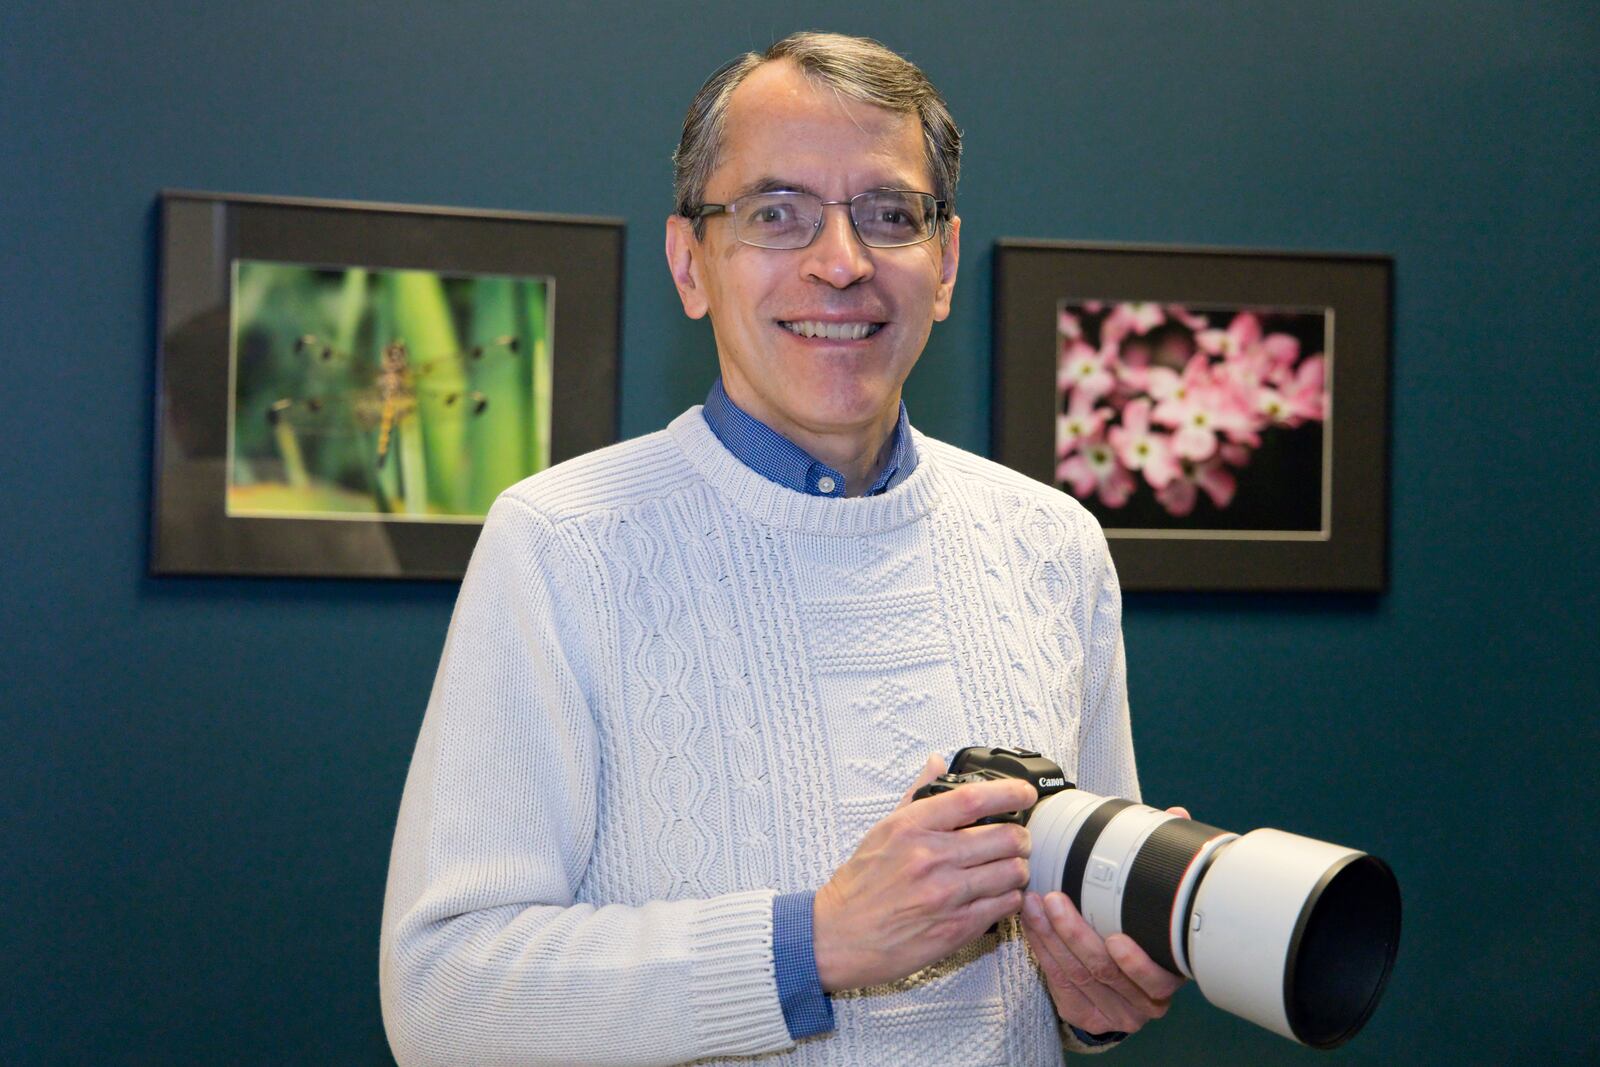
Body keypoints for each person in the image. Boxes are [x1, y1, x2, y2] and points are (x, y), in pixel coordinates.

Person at [380, 31, 1183, 1067]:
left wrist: (1099, 998)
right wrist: (818, 941)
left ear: (942, 262)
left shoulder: (1051, 544)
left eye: (888, 215)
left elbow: (1082, 953)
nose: (839, 262)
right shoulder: (561, 544)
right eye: (775, 213)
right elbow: (445, 995)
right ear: (689, 262)